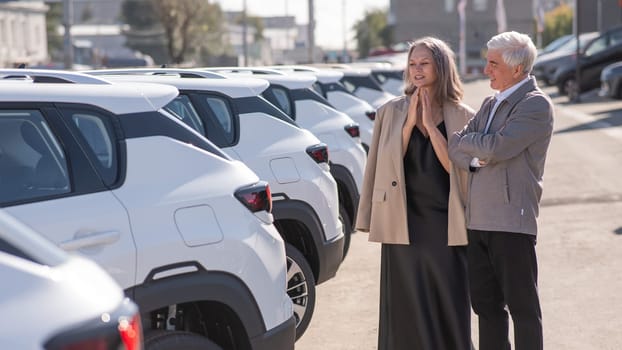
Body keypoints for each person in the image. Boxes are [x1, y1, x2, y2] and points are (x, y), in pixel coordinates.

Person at [355, 36, 474, 350]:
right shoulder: (389, 112)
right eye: (412, 64)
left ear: (441, 67)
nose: (417, 69)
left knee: (450, 299)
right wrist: (409, 125)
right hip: (404, 220)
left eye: (424, 63)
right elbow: (381, 166)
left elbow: (460, 168)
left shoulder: (463, 115)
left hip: (446, 222)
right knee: (407, 305)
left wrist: (431, 128)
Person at [448, 31, 554, 350]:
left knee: (523, 310)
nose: (486, 70)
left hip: (512, 221)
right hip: (478, 219)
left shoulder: (535, 105)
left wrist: (476, 149)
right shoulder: (489, 103)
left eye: (493, 64)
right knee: (486, 308)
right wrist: (479, 154)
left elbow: (498, 146)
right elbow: (456, 146)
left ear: (517, 69)